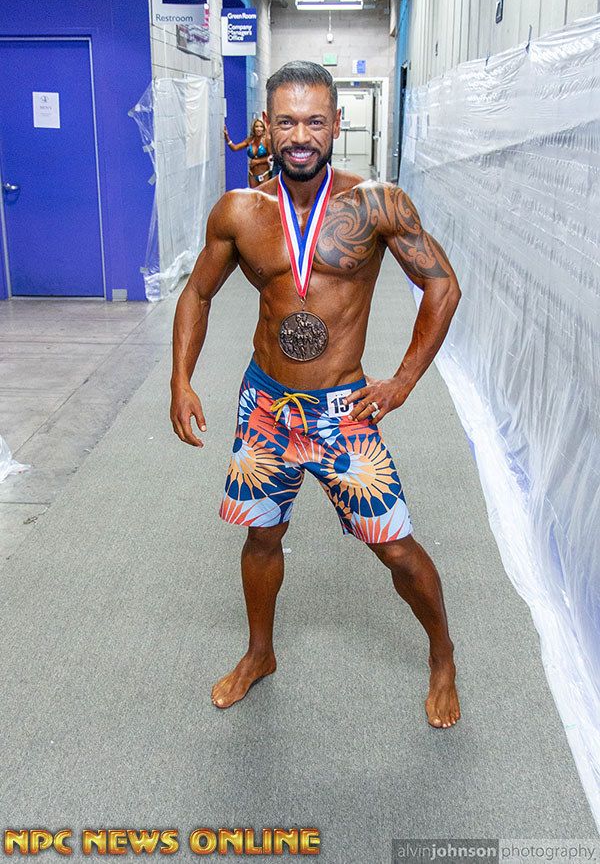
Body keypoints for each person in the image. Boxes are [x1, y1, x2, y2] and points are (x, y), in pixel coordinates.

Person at [171, 61, 462, 728]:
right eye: (286, 121)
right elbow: (197, 293)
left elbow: (442, 285)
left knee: (395, 545)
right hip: (266, 406)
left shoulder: (376, 204)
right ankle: (260, 653)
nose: (300, 135)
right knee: (262, 536)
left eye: (314, 121)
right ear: (267, 127)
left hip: (342, 408)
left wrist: (403, 380)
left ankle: (442, 654)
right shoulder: (240, 212)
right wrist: (180, 377)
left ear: (336, 124)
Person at [223, 117, 273, 188]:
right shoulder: (250, 140)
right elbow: (235, 148)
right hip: (252, 174)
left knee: (262, 194)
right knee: (253, 194)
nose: (259, 129)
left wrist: (257, 161)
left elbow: (272, 157)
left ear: (263, 128)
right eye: (256, 126)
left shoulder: (266, 141)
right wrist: (227, 137)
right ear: (253, 128)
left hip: (264, 174)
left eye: (261, 126)